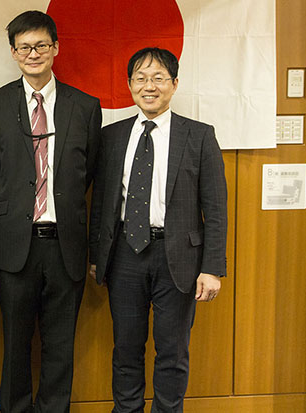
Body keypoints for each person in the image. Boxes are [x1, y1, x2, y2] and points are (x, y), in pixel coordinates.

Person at [89, 46, 227, 413]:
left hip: (178, 259)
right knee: (126, 349)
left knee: (172, 351)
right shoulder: (113, 136)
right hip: (125, 256)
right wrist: (96, 256)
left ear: (174, 84)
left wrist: (212, 267)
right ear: (130, 84)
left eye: (159, 78)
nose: (149, 86)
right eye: (141, 78)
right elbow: (102, 203)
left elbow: (215, 208)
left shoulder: (198, 136)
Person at [0, 10, 101, 412]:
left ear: (56, 49)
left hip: (64, 243)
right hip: (16, 245)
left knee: (60, 345)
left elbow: (87, 173)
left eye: (42, 46)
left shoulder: (85, 106)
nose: (34, 53)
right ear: (14, 53)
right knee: (14, 345)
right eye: (25, 47)